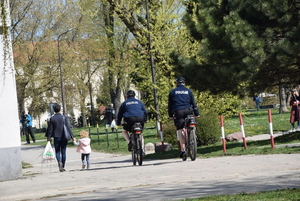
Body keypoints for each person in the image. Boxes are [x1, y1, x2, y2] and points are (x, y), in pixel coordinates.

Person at [168, 76, 200, 158]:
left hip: (178, 112)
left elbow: (170, 105)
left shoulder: (172, 92)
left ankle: (183, 150)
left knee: (181, 130)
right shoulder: (189, 91)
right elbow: (193, 104)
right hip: (188, 110)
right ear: (184, 83)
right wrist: (196, 114)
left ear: (177, 83)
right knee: (190, 124)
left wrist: (170, 115)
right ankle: (191, 135)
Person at [46, 103, 76, 172]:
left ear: (53, 110)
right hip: (64, 136)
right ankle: (63, 166)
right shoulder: (64, 117)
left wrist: (49, 137)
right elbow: (68, 128)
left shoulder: (52, 118)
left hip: (56, 137)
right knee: (63, 152)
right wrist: (72, 136)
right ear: (60, 109)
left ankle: (59, 162)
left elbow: (50, 129)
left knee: (57, 151)